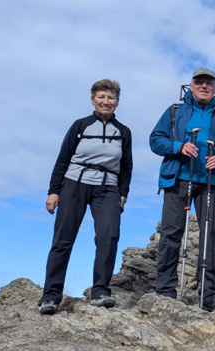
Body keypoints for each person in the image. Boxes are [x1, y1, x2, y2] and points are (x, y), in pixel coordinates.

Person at [38, 79, 133, 315]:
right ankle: (50, 296)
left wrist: (123, 194)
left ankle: (100, 291)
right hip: (75, 184)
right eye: (101, 97)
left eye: (111, 98)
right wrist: (54, 191)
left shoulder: (123, 132)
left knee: (108, 235)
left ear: (117, 103)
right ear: (93, 100)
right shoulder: (80, 126)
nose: (106, 101)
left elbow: (127, 166)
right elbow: (63, 158)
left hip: (108, 187)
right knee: (63, 239)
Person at [150, 67, 215, 312]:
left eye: (208, 83)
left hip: (211, 183)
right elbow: (155, 140)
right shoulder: (175, 111)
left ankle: (210, 294)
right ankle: (165, 290)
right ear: (191, 85)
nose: (204, 86)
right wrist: (179, 146)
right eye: (199, 82)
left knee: (213, 235)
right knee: (171, 234)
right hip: (178, 177)